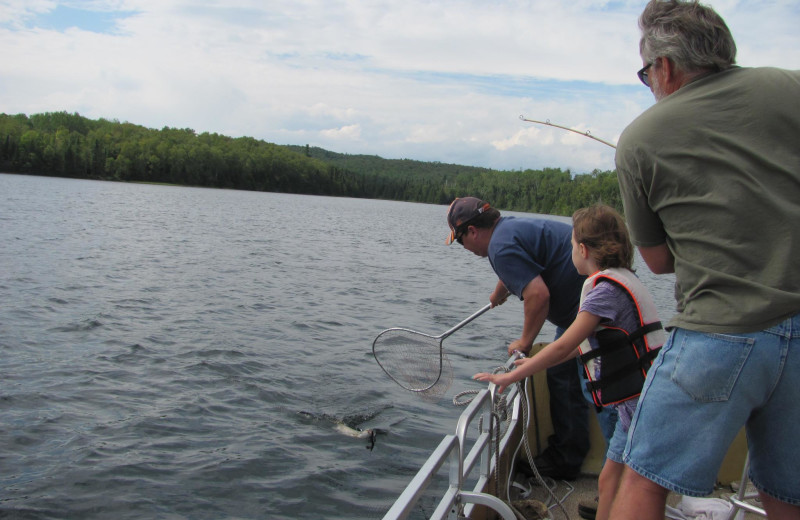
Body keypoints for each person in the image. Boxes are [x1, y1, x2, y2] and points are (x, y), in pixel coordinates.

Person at [610, 1, 800, 519]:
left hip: (718, 335)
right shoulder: (792, 86)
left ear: (665, 67)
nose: (649, 84)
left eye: (646, 73)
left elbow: (657, 261)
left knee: (643, 481)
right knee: (789, 494)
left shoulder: (641, 137)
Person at [474, 204, 665, 520]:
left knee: (633, 486)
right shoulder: (621, 278)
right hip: (641, 401)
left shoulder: (603, 292)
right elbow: (579, 349)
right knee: (610, 479)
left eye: (570, 244)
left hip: (639, 408)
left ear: (582, 249)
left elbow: (564, 345)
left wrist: (510, 377)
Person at [446, 196, 593, 480]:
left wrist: (524, 343)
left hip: (590, 310)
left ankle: (567, 459)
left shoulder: (499, 247)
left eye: (461, 240)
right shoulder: (507, 229)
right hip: (586, 305)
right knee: (561, 373)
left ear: (472, 231)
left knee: (567, 374)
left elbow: (538, 296)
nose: (464, 248)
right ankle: (568, 454)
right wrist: (500, 290)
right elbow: (525, 261)